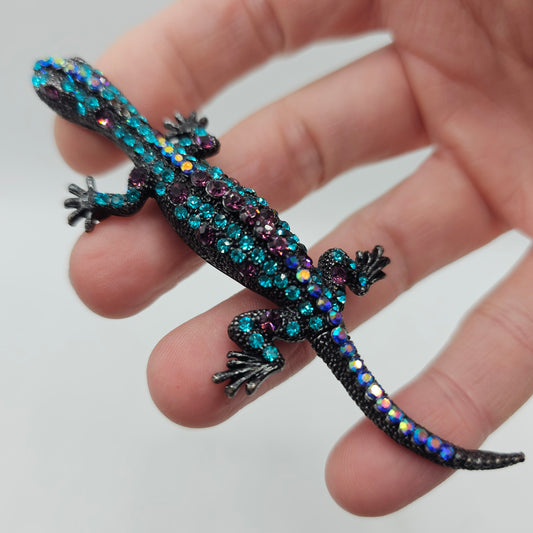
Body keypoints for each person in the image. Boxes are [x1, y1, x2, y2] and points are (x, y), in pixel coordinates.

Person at [54, 0, 533, 516]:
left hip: (305, 303)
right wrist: (187, 135)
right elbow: (207, 141)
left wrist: (94, 203)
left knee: (245, 332)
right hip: (316, 284)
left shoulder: (145, 174)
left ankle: (266, 357)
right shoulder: (173, 153)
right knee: (298, 293)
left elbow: (128, 203)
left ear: (98, 114)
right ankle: (348, 285)